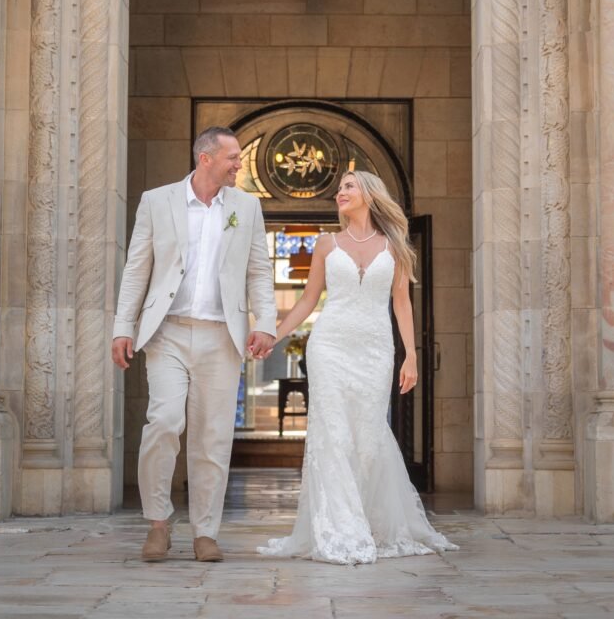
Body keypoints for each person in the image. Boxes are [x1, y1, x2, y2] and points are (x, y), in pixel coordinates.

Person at [258, 170, 458, 565]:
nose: (340, 193)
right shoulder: (326, 244)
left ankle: (368, 520)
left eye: (348, 186)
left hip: (375, 349)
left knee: (367, 439)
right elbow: (306, 301)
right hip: (329, 345)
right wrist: (273, 334)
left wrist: (411, 355)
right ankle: (340, 530)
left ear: (368, 193)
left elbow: (401, 302)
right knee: (333, 437)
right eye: (339, 189)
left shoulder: (394, 244)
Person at [112, 126, 276, 563]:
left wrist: (267, 324)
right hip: (166, 333)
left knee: (213, 438)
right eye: (233, 157)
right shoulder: (157, 201)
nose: (239, 163)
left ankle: (206, 532)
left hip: (223, 336)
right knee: (164, 422)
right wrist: (122, 326)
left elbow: (259, 270)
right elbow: (136, 269)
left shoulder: (247, 207)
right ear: (206, 157)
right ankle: (158, 524)